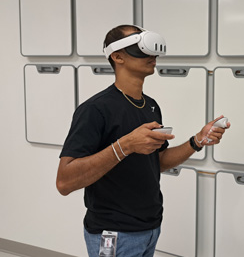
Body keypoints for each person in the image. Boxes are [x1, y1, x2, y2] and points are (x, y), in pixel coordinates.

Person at [56, 24, 230, 257]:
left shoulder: (150, 106)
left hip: (149, 228)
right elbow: (64, 182)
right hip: (114, 232)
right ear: (117, 57)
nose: (152, 56)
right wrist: (124, 146)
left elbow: (157, 162)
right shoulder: (95, 110)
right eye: (140, 48)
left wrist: (197, 140)